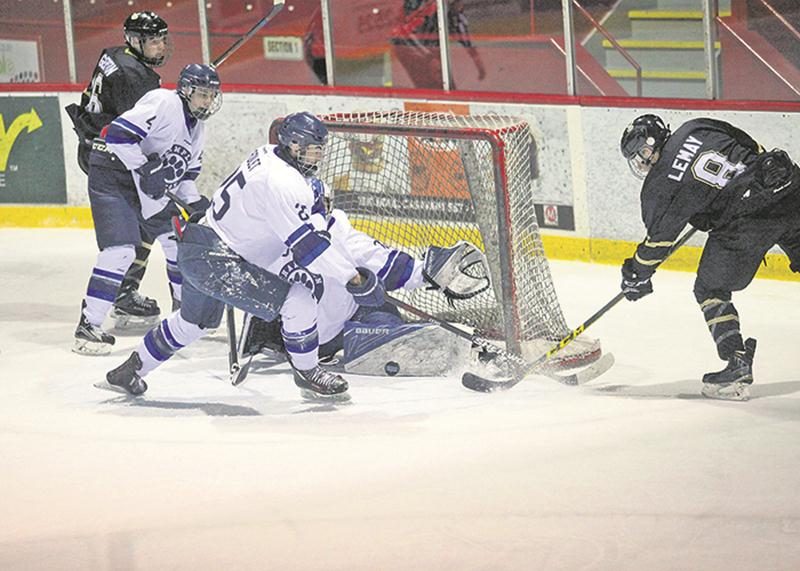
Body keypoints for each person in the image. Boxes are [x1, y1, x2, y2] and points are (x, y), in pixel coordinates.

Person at [102, 111, 490, 401]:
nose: (316, 155)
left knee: (192, 324)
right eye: (309, 148)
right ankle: (308, 373)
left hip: (201, 246)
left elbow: (333, 238)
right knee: (298, 298)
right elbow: (311, 247)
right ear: (291, 145)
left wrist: (413, 272)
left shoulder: (269, 156)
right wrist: (357, 282)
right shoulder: (283, 184)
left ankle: (129, 369)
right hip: (219, 259)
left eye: (320, 148)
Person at [618, 114, 800, 401]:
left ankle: (736, 362)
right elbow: (750, 145)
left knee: (709, 289)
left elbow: (659, 242)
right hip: (786, 186)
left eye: (641, 152)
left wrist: (636, 274)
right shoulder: (697, 126)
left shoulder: (659, 186)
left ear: (652, 143)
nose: (641, 161)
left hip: (747, 219)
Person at [73, 63, 222, 356]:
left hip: (143, 183)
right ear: (187, 90)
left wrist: (194, 206)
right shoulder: (163, 102)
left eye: (211, 95)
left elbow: (184, 176)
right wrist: (143, 167)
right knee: (120, 251)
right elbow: (115, 134)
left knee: (180, 244)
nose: (207, 101)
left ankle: (185, 317)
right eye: (202, 94)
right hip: (112, 175)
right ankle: (88, 326)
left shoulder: (198, 127)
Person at [65, 11, 172, 329]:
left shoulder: (115, 55)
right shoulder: (135, 77)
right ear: (134, 41)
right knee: (144, 225)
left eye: (162, 38)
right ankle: (121, 295)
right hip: (112, 158)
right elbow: (143, 129)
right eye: (153, 40)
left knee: (144, 224)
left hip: (94, 145)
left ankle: (123, 292)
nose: (161, 46)